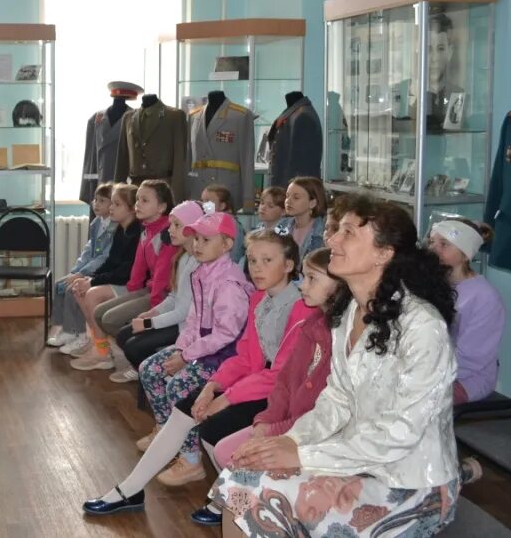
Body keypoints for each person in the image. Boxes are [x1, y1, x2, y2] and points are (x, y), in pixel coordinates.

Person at [211, 196, 460, 537]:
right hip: (353, 457)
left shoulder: (422, 326)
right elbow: (336, 401)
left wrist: (303, 454)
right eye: (336, 231)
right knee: (239, 478)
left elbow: (399, 435)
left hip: (410, 479)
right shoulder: (349, 315)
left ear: (383, 254)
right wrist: (290, 440)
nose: (332, 241)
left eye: (348, 234)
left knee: (260, 494)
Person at [83, 230, 308, 517]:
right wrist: (212, 387)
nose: (257, 268)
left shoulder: (301, 307)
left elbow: (279, 375)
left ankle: (229, 502)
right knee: (184, 407)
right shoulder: (259, 299)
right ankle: (130, 489)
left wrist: (225, 398)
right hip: (257, 382)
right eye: (252, 260)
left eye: (267, 260)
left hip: (284, 395)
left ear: (289, 265)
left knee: (213, 429)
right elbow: (246, 356)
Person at [194, 247, 343, 526]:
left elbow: (318, 411)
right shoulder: (313, 323)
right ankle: (241, 513)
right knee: (227, 452)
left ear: (339, 286)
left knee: (234, 458)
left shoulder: (337, 335)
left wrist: (272, 430)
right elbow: (285, 382)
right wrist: (265, 420)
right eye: (305, 278)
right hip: (284, 421)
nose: (303, 286)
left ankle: (247, 512)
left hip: (306, 433)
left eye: (312, 279)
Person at [116, 212, 251, 489]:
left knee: (178, 386)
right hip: (201, 348)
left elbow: (226, 335)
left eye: (206, 240)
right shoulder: (201, 271)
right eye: (197, 238)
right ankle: (167, 435)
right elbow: (192, 319)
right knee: (150, 369)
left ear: (226, 245)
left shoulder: (229, 284)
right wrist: (180, 350)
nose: (198, 245)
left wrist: (187, 357)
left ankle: (190, 460)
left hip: (223, 357)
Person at [71, 180, 175, 372]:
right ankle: (107, 350)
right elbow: (137, 267)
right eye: (137, 200)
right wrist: (130, 294)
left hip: (160, 295)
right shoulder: (146, 229)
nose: (138, 205)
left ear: (161, 207)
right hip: (146, 288)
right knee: (100, 313)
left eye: (144, 200)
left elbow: (161, 276)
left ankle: (131, 360)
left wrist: (152, 305)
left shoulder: (165, 234)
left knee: (109, 318)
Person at [114, 200, 205, 382]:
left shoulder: (198, 263)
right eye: (171, 224)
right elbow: (174, 297)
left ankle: (162, 379)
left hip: (188, 327)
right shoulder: (184, 257)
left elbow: (183, 313)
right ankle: (149, 375)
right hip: (178, 320)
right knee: (123, 334)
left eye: (177, 225)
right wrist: (152, 312)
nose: (170, 229)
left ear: (192, 228)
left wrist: (149, 323)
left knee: (133, 346)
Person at [428, 218, 506, 403]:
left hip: (466, 378)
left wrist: (423, 371)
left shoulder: (484, 297)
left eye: (444, 244)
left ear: (465, 254)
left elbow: (471, 359)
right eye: (432, 242)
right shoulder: (431, 283)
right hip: (429, 367)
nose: (433, 249)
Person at [63, 185, 142, 357]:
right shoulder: (121, 229)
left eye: (117, 204)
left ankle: (103, 354)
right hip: (119, 279)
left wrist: (92, 281)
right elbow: (110, 262)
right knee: (78, 288)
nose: (111, 208)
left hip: (132, 284)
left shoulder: (137, 233)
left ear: (131, 209)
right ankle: (99, 345)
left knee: (92, 294)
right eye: (111, 203)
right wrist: (89, 278)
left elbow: (124, 273)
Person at [48, 183, 117, 349]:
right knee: (59, 285)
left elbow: (103, 257)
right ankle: (66, 329)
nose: (96, 204)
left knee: (73, 290)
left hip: (101, 273)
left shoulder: (115, 228)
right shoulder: (96, 224)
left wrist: (82, 274)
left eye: (102, 201)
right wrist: (76, 270)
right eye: (95, 200)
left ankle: (79, 334)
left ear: (112, 204)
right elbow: (88, 250)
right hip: (86, 271)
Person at [276, 176, 326, 262]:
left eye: (296, 198)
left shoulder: (322, 231)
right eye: (287, 196)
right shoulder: (282, 224)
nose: (288, 201)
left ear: (312, 203)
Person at [201, 184, 246, 263]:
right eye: (202, 200)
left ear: (222, 206)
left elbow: (234, 257)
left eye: (208, 201)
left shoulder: (233, 226)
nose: (203, 205)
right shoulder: (208, 222)